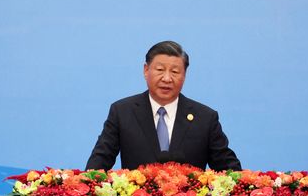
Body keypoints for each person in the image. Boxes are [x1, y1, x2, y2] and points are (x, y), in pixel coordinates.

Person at [86, 41, 242, 171]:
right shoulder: (122, 112)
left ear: (184, 75)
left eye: (175, 71)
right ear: (146, 70)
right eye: (160, 70)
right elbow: (99, 162)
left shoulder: (205, 118)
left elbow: (229, 169)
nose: (167, 78)